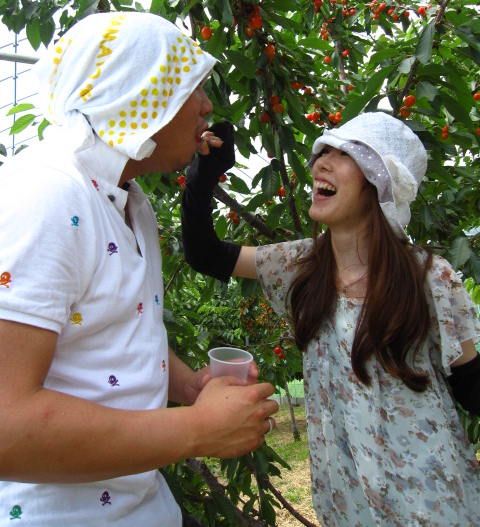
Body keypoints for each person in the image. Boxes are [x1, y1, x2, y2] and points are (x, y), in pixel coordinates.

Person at [0, 12, 278, 527]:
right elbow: (6, 426)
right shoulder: (46, 196)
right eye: (192, 87)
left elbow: (115, 328)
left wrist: (190, 386)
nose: (207, 106)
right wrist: (198, 429)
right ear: (141, 94)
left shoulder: (130, 201)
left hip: (143, 508)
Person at [181, 113, 480, 527]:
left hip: (431, 499)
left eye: (344, 155)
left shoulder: (428, 276)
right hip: (345, 501)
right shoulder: (300, 266)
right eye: (323, 151)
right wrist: (203, 177)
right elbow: (206, 254)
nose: (321, 161)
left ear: (380, 182)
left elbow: (470, 382)